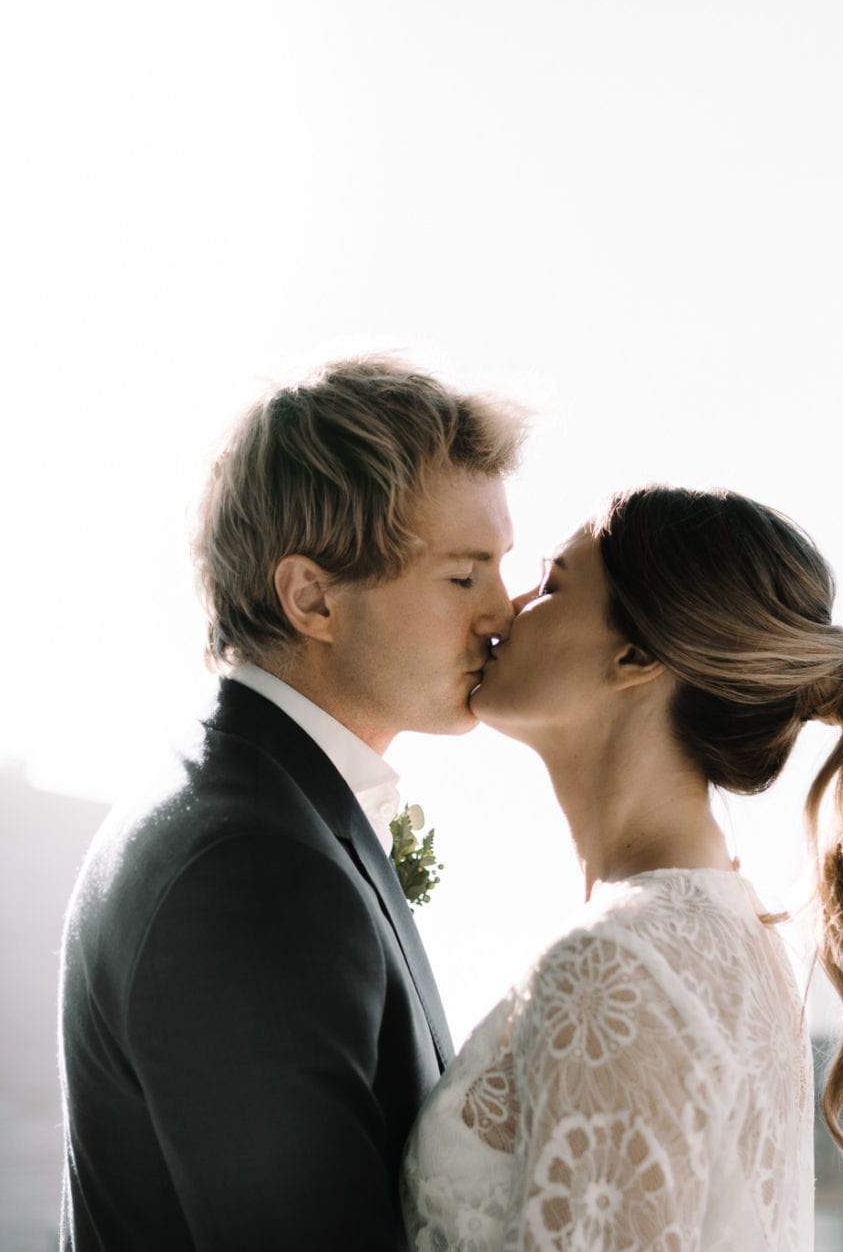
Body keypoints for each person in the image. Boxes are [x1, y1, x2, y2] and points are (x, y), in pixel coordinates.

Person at [401, 486, 843, 1250]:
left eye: (554, 583)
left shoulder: (613, 966)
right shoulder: (734, 939)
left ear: (635, 655)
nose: (507, 609)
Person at [57, 356, 523, 1250]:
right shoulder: (249, 865)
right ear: (312, 597)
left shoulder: (250, 807)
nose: (504, 611)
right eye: (465, 577)